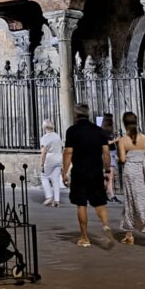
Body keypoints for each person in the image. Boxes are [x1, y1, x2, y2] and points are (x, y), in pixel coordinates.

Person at [62, 103, 114, 248]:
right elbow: (106, 152)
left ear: (76, 115)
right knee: (100, 203)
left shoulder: (72, 131)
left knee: (81, 204)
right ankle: (105, 225)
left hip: (79, 172)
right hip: (96, 171)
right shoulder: (99, 131)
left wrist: (64, 172)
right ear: (88, 114)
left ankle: (85, 237)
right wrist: (107, 169)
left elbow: (68, 152)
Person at [117, 112, 145, 251]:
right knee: (143, 202)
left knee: (132, 202)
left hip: (130, 173)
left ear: (124, 124)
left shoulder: (123, 140)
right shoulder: (144, 138)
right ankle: (130, 234)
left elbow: (123, 160)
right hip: (144, 173)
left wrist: (120, 158)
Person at [39, 119, 63, 207]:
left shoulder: (45, 138)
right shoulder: (57, 136)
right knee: (55, 179)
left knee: (44, 176)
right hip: (58, 159)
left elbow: (43, 152)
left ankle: (49, 197)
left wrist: (42, 164)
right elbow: (61, 149)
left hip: (49, 160)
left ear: (44, 127)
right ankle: (57, 200)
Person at [101, 113, 121, 203]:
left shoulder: (110, 131)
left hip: (112, 153)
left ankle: (105, 194)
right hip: (107, 154)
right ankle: (112, 195)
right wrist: (115, 140)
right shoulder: (103, 132)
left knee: (109, 176)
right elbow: (105, 143)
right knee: (110, 176)